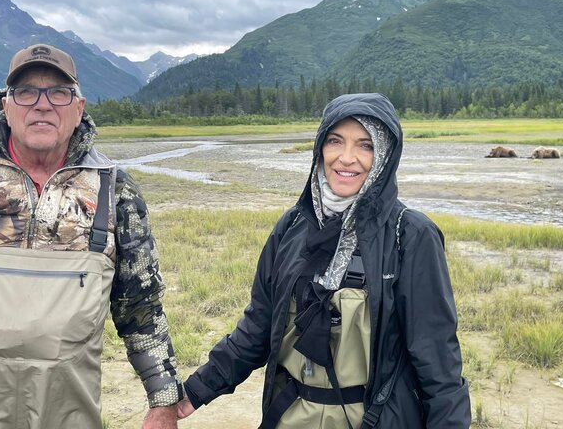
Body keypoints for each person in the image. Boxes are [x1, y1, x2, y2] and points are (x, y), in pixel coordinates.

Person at [177, 93, 471, 428]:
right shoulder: (291, 227)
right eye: (335, 141)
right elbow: (257, 328)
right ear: (320, 148)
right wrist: (193, 392)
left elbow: (438, 362)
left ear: (386, 156)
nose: (347, 158)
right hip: (288, 417)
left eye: (365, 145)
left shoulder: (411, 235)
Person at [0, 44, 182, 429]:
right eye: (26, 92)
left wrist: (164, 401)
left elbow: (140, 307)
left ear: (78, 108)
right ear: (6, 105)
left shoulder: (113, 191)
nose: (42, 105)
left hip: (68, 414)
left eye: (59, 92)